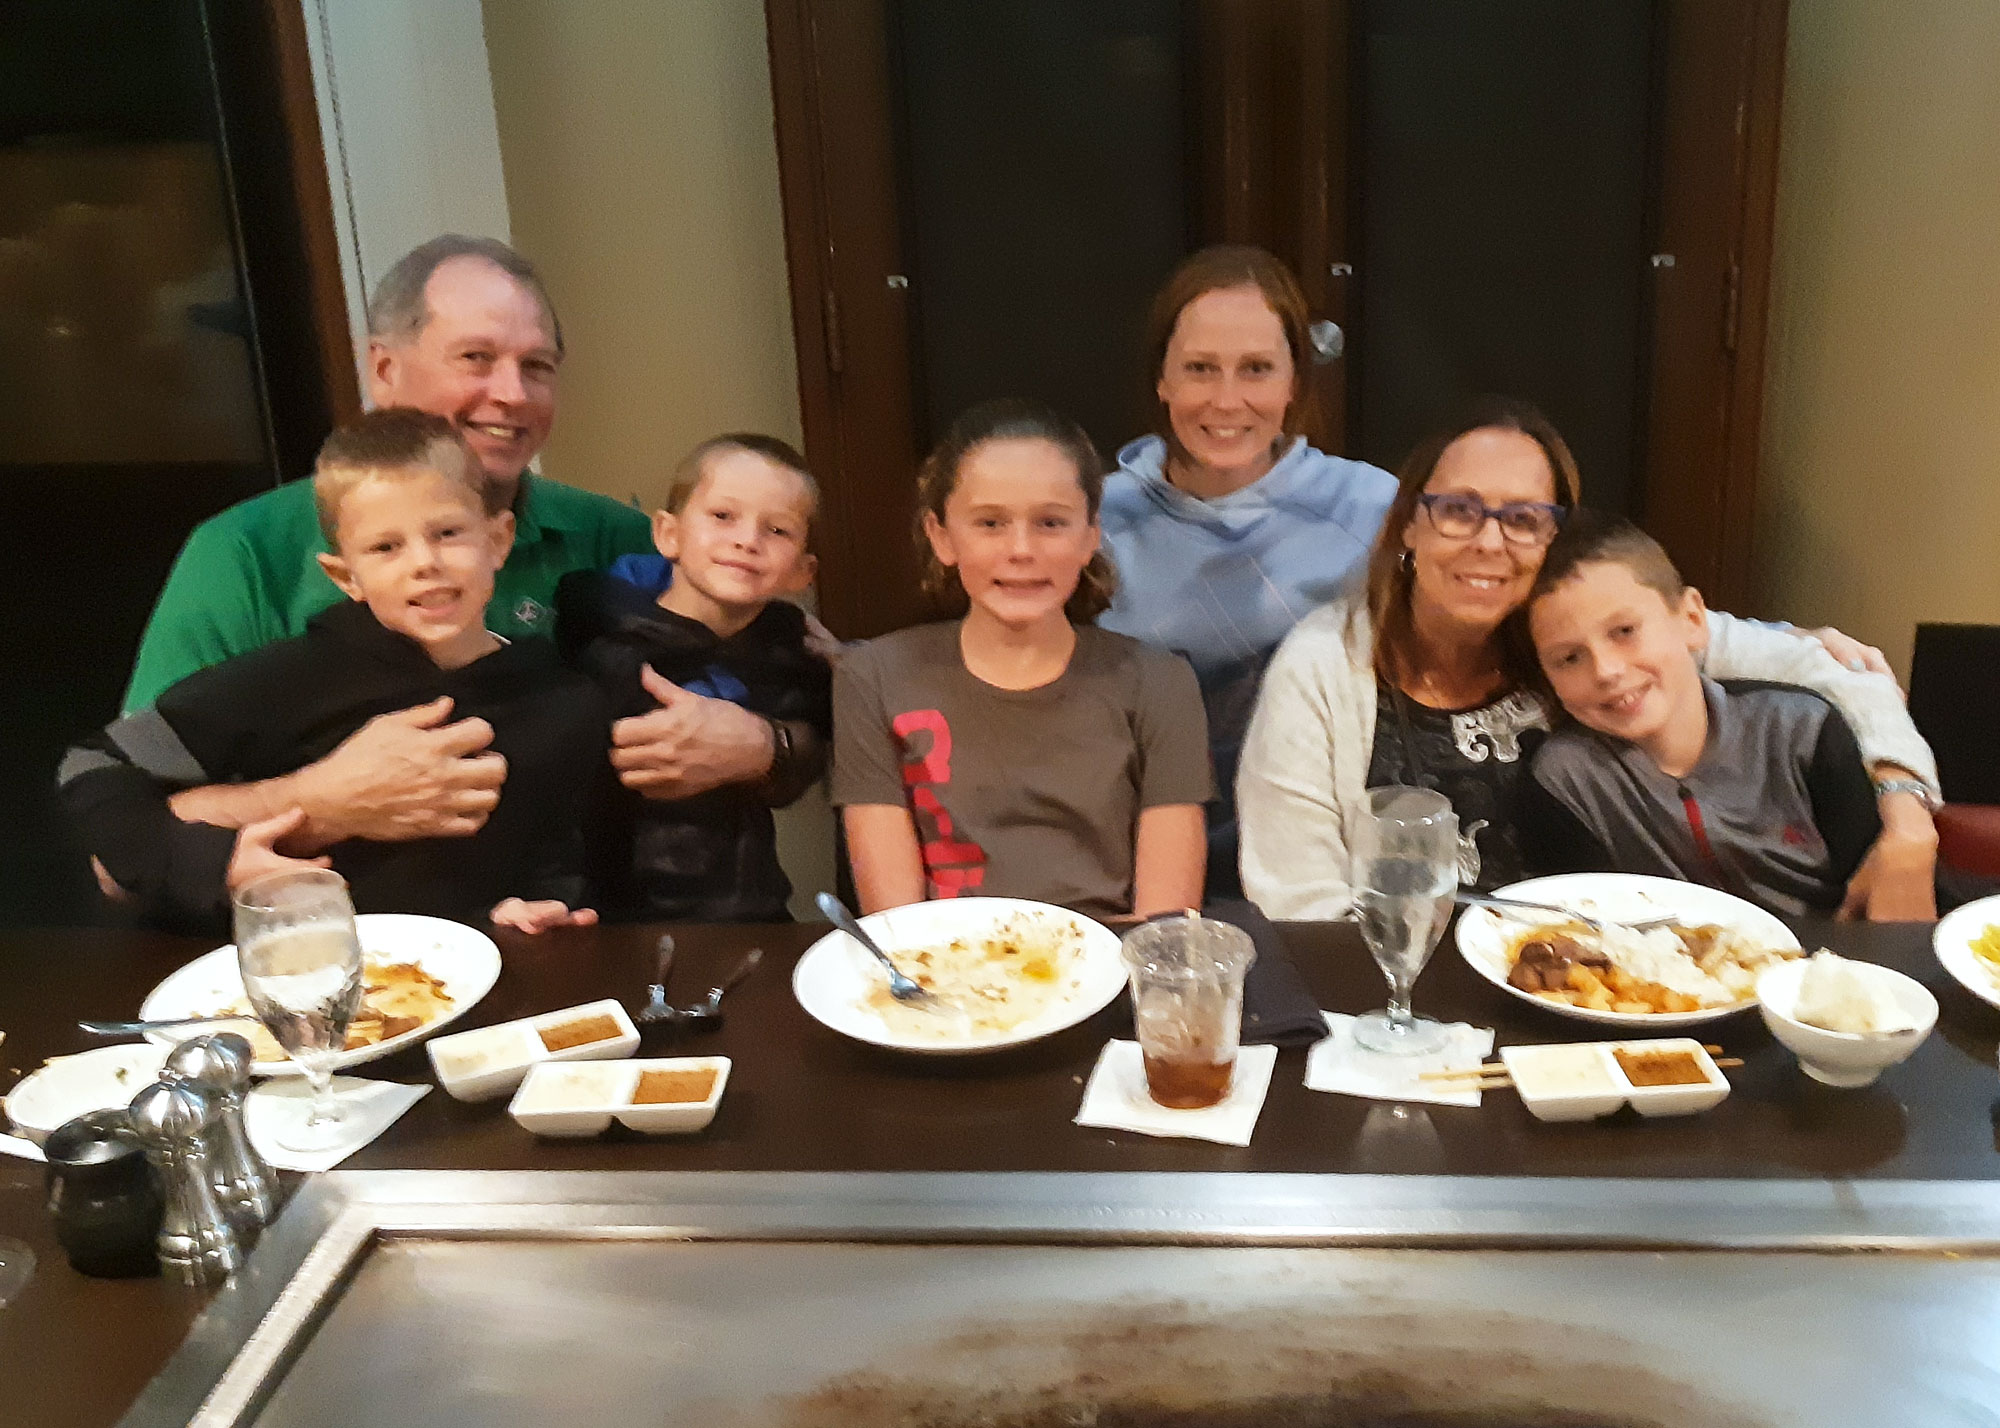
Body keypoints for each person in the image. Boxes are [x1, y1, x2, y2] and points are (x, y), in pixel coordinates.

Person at [115, 235, 786, 868]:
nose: (512, 394)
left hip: (570, 926)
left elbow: (803, 688)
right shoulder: (243, 552)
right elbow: (117, 848)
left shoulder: (617, 538)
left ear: (495, 545)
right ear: (384, 369)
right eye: (476, 358)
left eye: (537, 366)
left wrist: (765, 746)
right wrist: (318, 803)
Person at [1236, 399, 1939, 920]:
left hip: (1591, 980)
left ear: (1556, 538)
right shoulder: (1324, 666)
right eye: (1458, 510)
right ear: (1409, 526)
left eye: (1523, 518)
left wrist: (1906, 817)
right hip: (1401, 995)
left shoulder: (1576, 637)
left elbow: (1834, 675)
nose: (1488, 541)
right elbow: (1297, 899)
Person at [62, 410, 608, 933]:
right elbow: (94, 764)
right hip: (315, 975)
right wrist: (209, 864)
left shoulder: (560, 695)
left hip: (479, 984)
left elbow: (556, 856)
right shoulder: (291, 678)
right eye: (386, 547)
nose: (424, 562)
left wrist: (533, 909)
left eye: (447, 533)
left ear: (498, 540)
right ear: (345, 576)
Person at [833, 399, 1210, 919]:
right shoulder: (872, 678)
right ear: (941, 537)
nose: (1021, 549)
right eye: (989, 523)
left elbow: (1163, 931)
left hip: (1106, 972)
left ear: (1090, 535)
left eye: (1051, 523)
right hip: (945, 975)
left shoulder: (1159, 683)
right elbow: (895, 929)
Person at [1097, 246, 1398, 895]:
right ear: (1163, 379)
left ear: (1294, 381)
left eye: (1256, 369)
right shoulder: (1092, 520)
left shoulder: (1373, 509)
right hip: (1131, 860)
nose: (1227, 399)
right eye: (1201, 369)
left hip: (1315, 865)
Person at [1516, 511, 1926, 918]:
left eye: (1625, 632)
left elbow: (1891, 899)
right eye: (1569, 658)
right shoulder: (1566, 778)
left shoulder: (1801, 730)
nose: (1606, 671)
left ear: (1693, 619)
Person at [558, 435, 832, 921]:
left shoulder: (793, 654)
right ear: (668, 535)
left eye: (778, 530)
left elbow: (805, 762)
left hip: (748, 907)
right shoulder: (600, 637)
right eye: (723, 516)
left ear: (802, 572)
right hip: (611, 916)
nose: (748, 540)